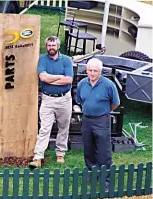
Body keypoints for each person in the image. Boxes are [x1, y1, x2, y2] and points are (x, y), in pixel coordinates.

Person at [29, 35, 73, 169]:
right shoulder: (42, 59)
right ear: (46, 46)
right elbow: (43, 77)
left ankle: (60, 153)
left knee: (63, 127)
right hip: (47, 99)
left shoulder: (66, 60)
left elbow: (69, 80)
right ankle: (38, 156)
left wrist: (51, 78)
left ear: (58, 46)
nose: (51, 48)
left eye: (53, 45)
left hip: (64, 99)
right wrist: (60, 76)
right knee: (44, 128)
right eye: (49, 45)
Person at [76, 58, 120, 188]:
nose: (92, 73)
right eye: (90, 70)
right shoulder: (82, 84)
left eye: (95, 71)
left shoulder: (108, 85)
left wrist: (103, 112)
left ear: (100, 71)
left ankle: (106, 179)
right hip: (86, 121)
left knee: (103, 151)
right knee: (88, 149)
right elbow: (80, 100)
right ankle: (92, 172)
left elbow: (115, 103)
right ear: (86, 70)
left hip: (102, 121)